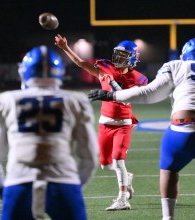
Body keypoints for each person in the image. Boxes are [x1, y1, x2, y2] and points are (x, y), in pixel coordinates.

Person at [88, 38, 195, 220]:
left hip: (181, 129)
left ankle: (168, 217)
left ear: (185, 54)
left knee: (169, 171)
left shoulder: (176, 66)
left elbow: (149, 94)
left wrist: (112, 95)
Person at [0, 45, 98, 220]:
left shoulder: (8, 99)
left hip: (20, 183)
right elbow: (90, 156)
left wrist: (2, 187)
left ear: (25, 72)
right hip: (63, 183)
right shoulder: (75, 100)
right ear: (59, 72)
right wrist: (74, 187)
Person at [55, 34, 148, 211]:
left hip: (123, 123)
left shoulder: (138, 78)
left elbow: (125, 100)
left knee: (118, 159)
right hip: (104, 123)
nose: (118, 58)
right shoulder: (105, 68)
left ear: (132, 58)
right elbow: (81, 63)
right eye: (117, 54)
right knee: (106, 165)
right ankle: (126, 177)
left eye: (123, 55)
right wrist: (65, 48)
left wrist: (112, 83)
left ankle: (123, 199)